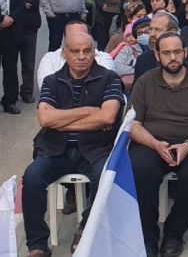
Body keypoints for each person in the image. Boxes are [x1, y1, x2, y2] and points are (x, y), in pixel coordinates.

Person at [22, 31, 124, 257]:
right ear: (64, 53)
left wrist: (61, 121)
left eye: (87, 51)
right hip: (55, 149)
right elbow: (45, 119)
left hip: (96, 149)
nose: (81, 56)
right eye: (75, 51)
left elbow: (108, 117)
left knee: (105, 178)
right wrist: (88, 111)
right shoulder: (52, 81)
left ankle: (86, 230)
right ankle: (37, 244)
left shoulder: (109, 79)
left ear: (94, 52)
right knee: (31, 177)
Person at [129, 32, 188, 257]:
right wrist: (155, 144)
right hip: (152, 144)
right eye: (167, 53)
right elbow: (132, 124)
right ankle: (148, 237)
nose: (173, 57)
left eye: (177, 52)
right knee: (138, 170)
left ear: (185, 52)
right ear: (157, 55)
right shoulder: (145, 82)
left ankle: (174, 232)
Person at [37, 20, 115, 89]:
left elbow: (106, 87)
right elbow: (46, 89)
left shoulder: (104, 58)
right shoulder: (50, 58)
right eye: (73, 36)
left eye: (82, 35)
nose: (78, 40)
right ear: (65, 39)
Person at [134, 11, 188, 82]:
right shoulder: (143, 61)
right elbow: (137, 90)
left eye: (157, 30)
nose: (152, 34)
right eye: (150, 29)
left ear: (172, 32)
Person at [11, 0, 42, 103]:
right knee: (10, 63)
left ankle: (27, 91)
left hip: (29, 28)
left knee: (28, 62)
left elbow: (31, 3)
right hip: (11, 28)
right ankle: (11, 93)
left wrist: (19, 4)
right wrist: (22, 4)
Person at [113, 23, 142, 92]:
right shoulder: (126, 49)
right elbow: (117, 67)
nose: (131, 38)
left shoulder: (149, 47)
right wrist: (138, 70)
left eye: (133, 35)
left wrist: (129, 64)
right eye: (128, 35)